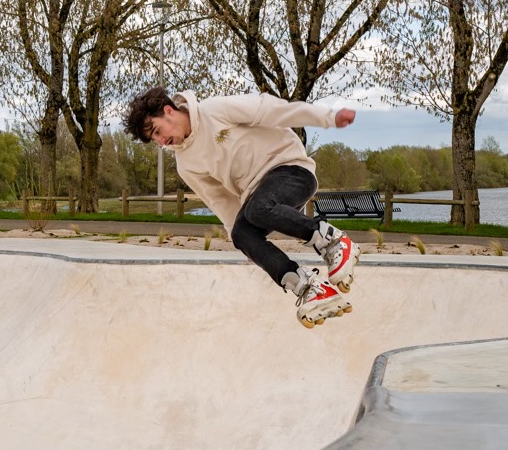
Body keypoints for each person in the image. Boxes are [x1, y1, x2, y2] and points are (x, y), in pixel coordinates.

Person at [122, 86, 359, 327]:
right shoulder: (185, 164)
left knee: (258, 209)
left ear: (168, 111)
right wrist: (248, 245)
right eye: (154, 140)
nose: (161, 142)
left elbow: (274, 110)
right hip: (260, 198)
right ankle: (310, 288)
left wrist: (328, 118)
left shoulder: (215, 110)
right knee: (240, 233)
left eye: (157, 131)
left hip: (292, 170)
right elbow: (219, 200)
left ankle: (333, 241)